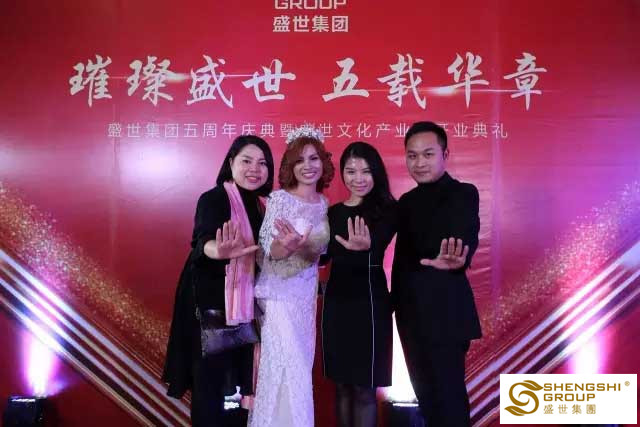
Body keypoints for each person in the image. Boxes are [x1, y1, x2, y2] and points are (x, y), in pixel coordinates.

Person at [163, 135, 275, 427]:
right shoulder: (213, 198)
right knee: (211, 388)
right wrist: (219, 250)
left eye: (262, 163)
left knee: (237, 389)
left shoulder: (264, 206)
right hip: (212, 306)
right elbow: (203, 242)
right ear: (231, 163)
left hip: (245, 308)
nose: (255, 169)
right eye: (247, 161)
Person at [392, 121, 482, 427]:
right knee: (428, 403)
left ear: (445, 155)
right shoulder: (405, 202)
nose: (419, 162)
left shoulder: (463, 193)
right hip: (410, 317)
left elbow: (466, 233)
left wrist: (459, 259)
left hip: (446, 315)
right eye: (412, 155)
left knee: (450, 403)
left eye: (428, 154)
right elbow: (401, 261)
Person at [248, 127, 334, 427]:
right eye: (299, 160)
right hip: (279, 297)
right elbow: (269, 250)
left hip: (305, 298)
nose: (307, 166)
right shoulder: (279, 199)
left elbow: (318, 252)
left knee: (301, 366)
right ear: (290, 166)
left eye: (314, 158)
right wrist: (286, 246)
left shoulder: (323, 204)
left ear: (323, 162)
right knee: (285, 364)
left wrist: (305, 248)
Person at [321, 142, 396, 427]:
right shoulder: (332, 213)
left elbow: (382, 240)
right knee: (342, 386)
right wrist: (302, 249)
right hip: (337, 303)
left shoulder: (388, 209)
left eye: (366, 171)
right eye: (351, 171)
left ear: (376, 172)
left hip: (370, 304)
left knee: (365, 390)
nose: (358, 178)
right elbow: (321, 257)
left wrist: (368, 246)